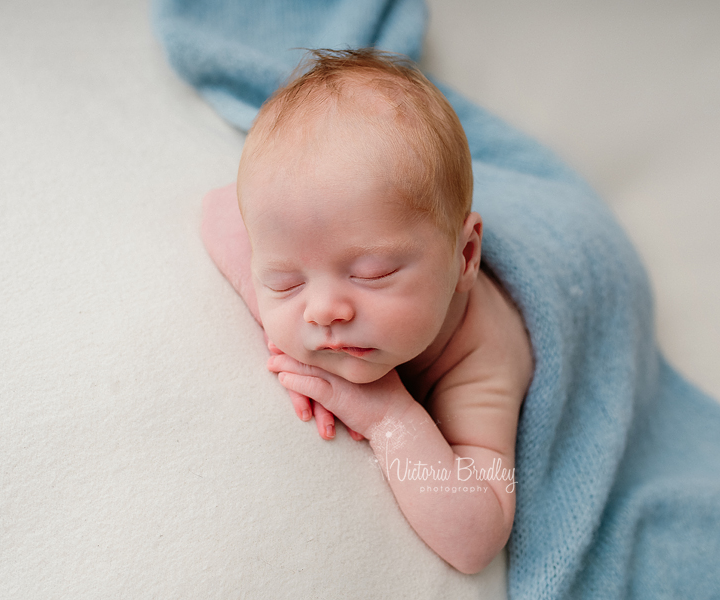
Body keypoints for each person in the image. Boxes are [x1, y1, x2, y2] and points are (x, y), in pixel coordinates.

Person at [201, 48, 533, 574]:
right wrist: (275, 318)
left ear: (465, 257)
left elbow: (478, 534)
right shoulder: (315, 273)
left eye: (372, 274)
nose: (324, 310)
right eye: (286, 280)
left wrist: (389, 416)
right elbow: (218, 208)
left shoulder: (480, 358)